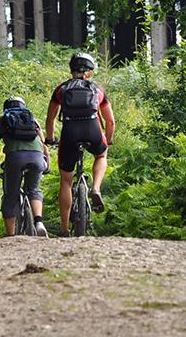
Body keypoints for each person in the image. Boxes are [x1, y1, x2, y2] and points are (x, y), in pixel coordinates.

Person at [45, 52, 115, 237]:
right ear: (89, 72)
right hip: (92, 128)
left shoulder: (61, 89)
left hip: (70, 131)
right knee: (101, 155)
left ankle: (64, 229)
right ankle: (96, 188)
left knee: (66, 181)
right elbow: (110, 122)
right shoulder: (97, 90)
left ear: (71, 70)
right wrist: (108, 140)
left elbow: (51, 117)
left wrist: (50, 138)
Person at [0, 97, 50, 237]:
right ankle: (39, 222)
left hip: (15, 159)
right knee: (34, 189)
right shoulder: (32, 119)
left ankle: (11, 235)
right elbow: (45, 147)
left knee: (11, 195)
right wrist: (47, 165)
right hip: (37, 158)